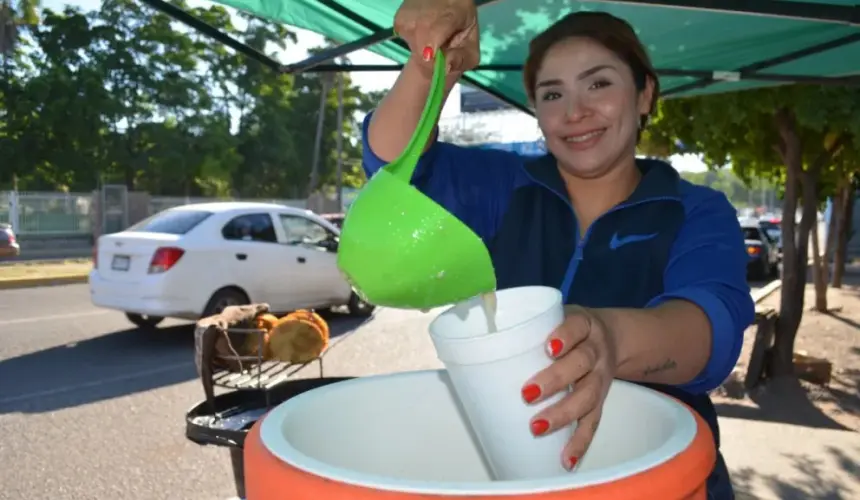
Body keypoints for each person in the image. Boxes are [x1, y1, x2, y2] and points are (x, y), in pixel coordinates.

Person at [362, 1, 754, 498]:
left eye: (599, 83)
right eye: (552, 94)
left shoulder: (695, 209)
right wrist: (432, 67)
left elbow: (710, 333)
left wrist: (609, 340)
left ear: (644, 93)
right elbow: (392, 167)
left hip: (661, 478)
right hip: (517, 475)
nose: (574, 112)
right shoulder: (508, 185)